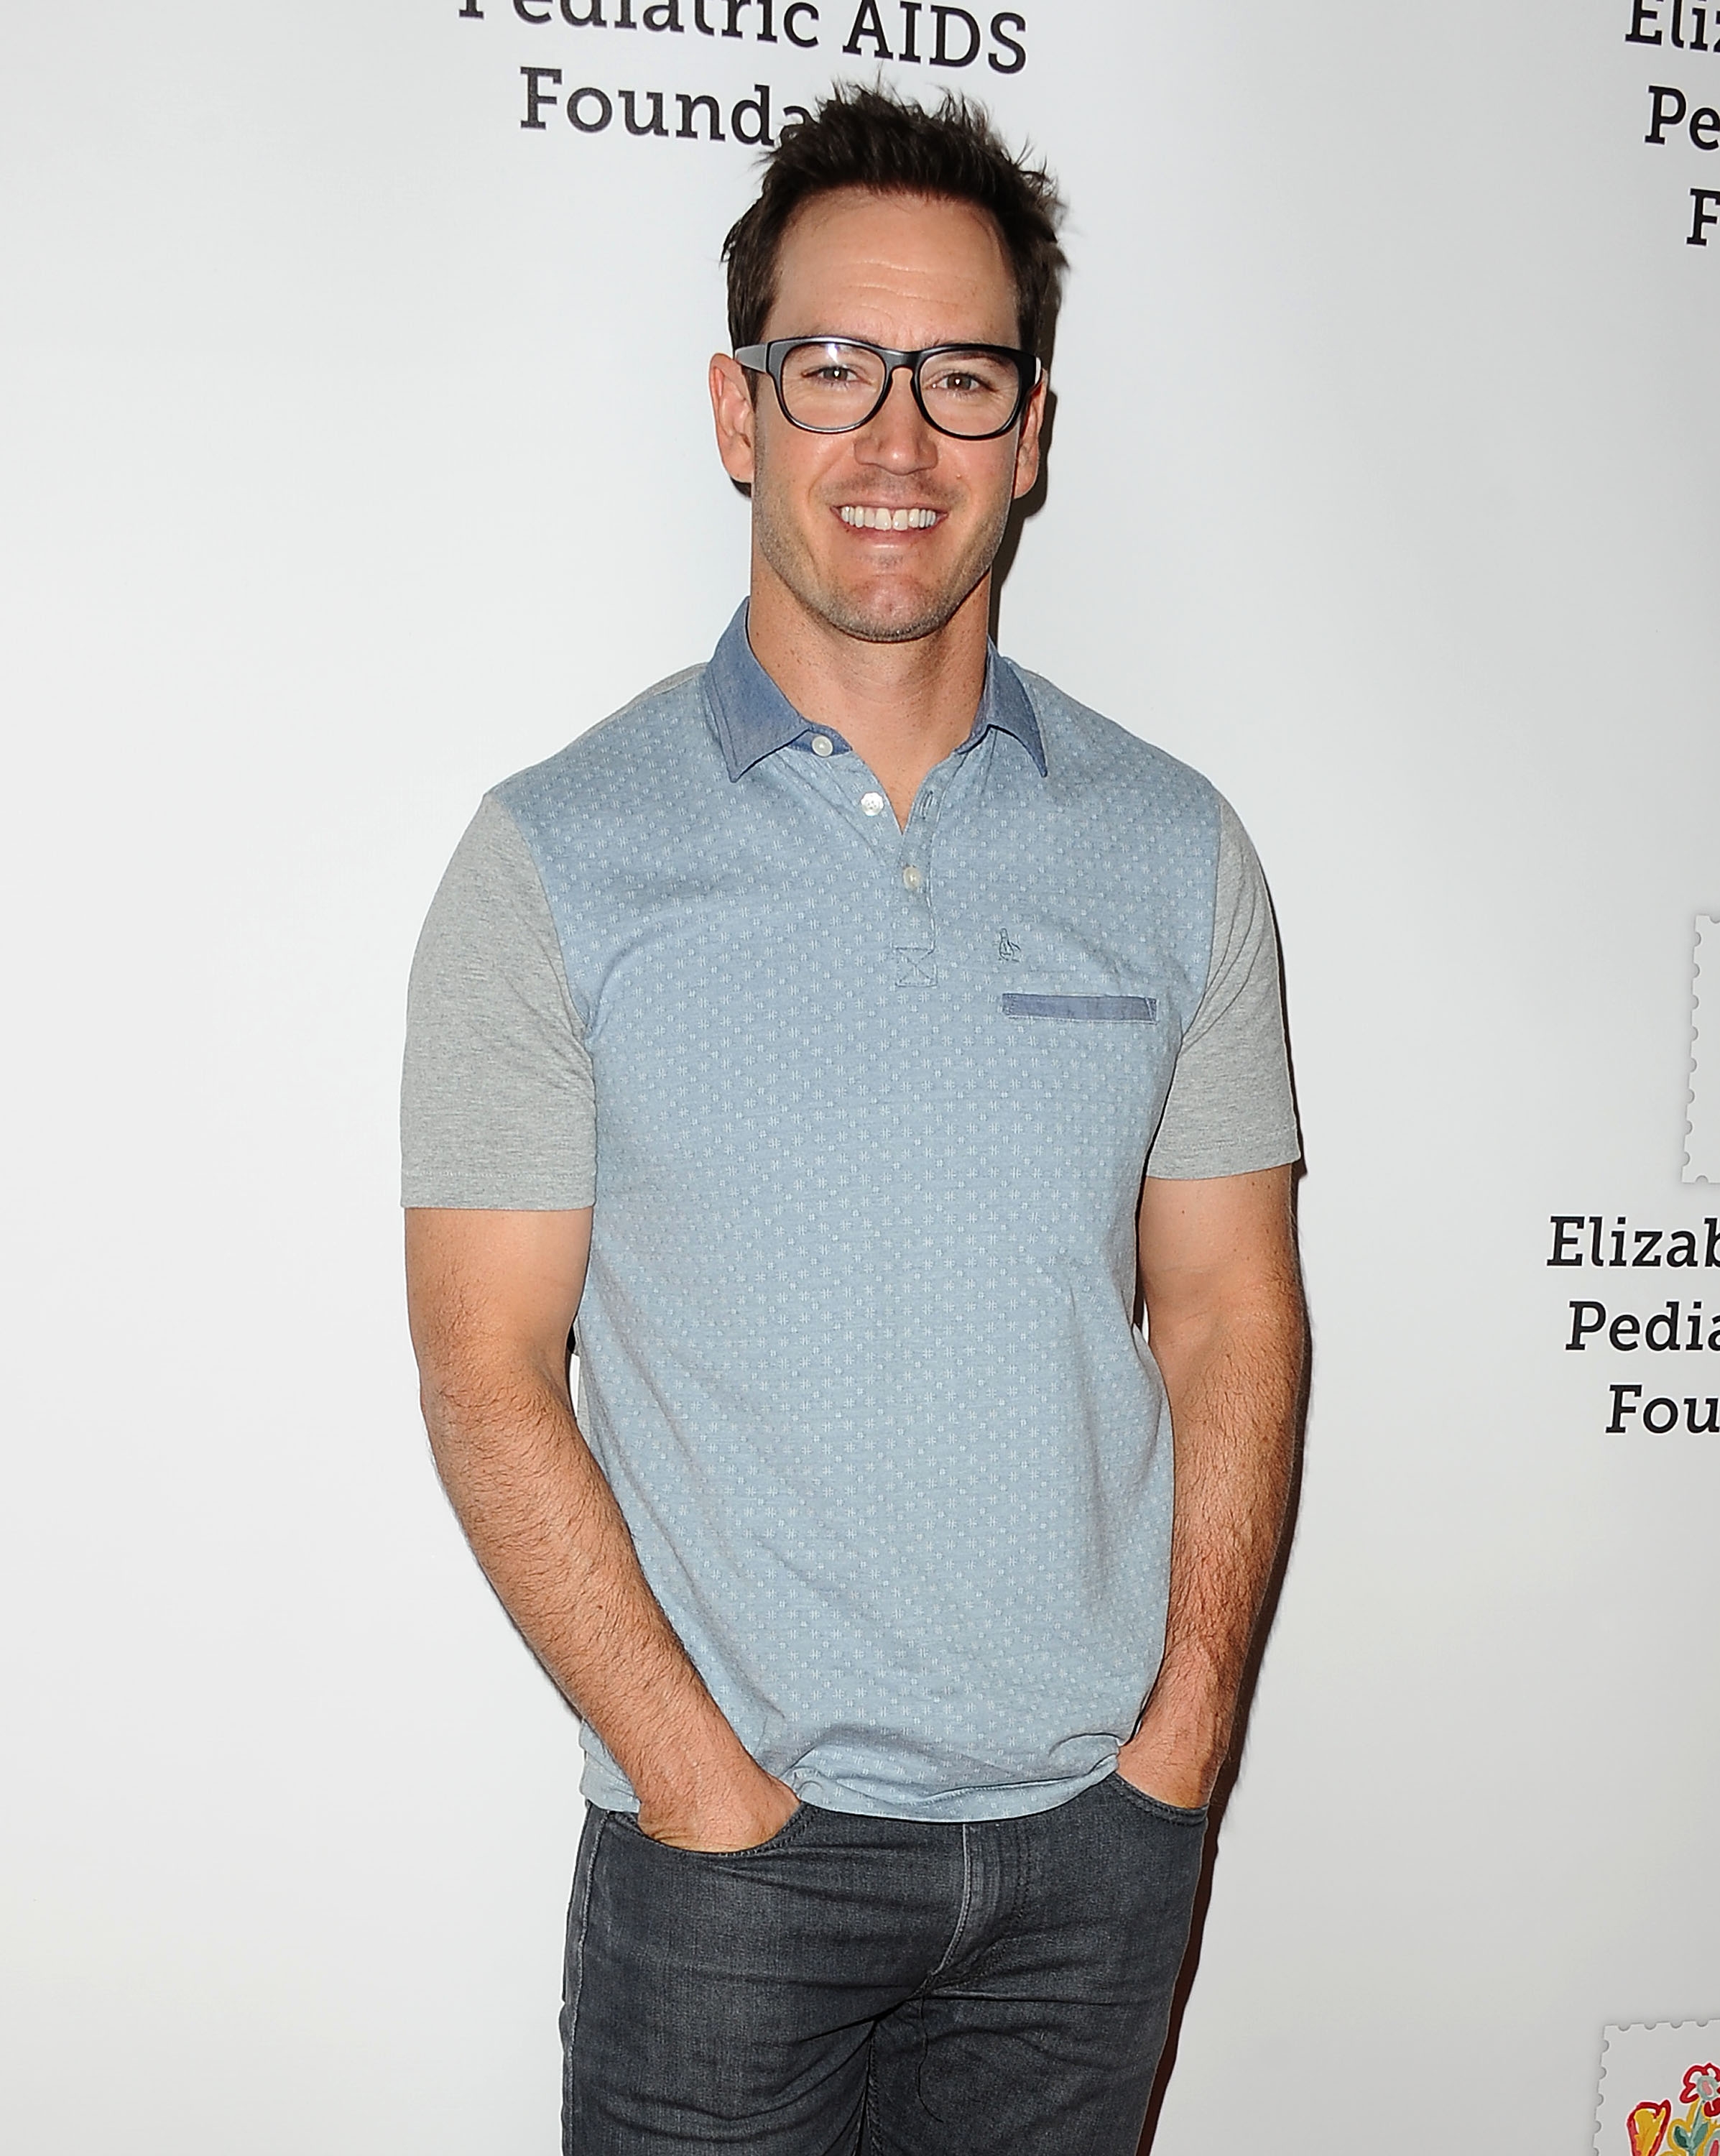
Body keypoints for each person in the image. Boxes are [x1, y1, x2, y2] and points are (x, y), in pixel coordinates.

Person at [402, 83, 1305, 2156]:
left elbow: (1232, 1313)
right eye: (833, 369)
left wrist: (1180, 1741)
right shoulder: (553, 859)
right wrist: (697, 1783)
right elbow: (481, 1366)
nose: (894, 442)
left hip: (1096, 1856)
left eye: (959, 376)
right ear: (740, 412)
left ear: (1033, 429)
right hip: (730, 1870)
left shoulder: (1177, 854)